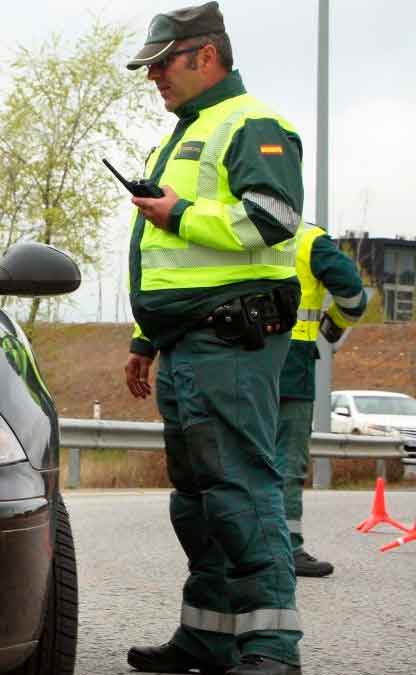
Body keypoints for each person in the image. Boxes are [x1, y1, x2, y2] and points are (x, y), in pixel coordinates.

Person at [120, 3, 305, 674]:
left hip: (231, 341)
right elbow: (166, 257)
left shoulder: (255, 124)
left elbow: (275, 218)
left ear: (204, 55)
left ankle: (271, 648)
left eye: (160, 64)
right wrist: (146, 338)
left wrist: (181, 212)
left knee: (240, 491)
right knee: (197, 503)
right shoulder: (182, 133)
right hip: (185, 344)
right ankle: (208, 635)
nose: (152, 78)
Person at [277, 223, 367, 578]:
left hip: (237, 358)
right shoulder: (308, 238)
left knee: (242, 456)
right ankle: (288, 547)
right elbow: (353, 295)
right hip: (292, 362)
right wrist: (333, 326)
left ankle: (237, 549)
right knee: (287, 460)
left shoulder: (231, 225)